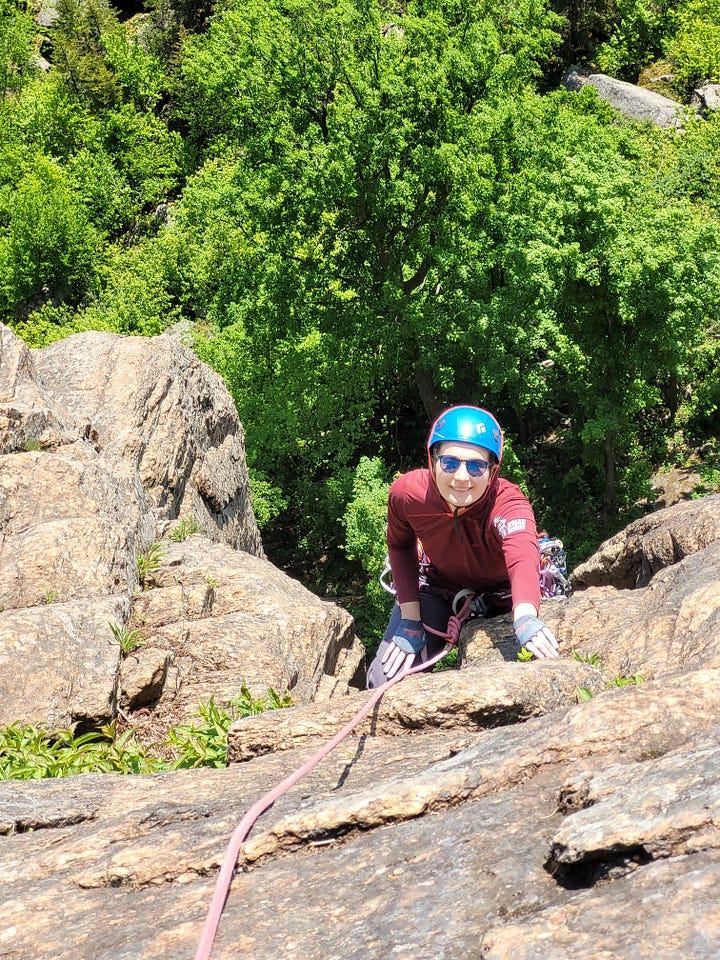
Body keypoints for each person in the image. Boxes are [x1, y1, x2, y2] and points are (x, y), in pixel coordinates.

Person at [366, 404, 560, 688]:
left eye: (476, 465)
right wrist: (410, 620)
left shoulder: (508, 505)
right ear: (432, 459)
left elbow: (521, 557)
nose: (461, 477)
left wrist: (525, 618)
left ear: (493, 470)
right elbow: (399, 545)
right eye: (449, 462)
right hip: (439, 586)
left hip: (503, 597)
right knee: (384, 680)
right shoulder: (408, 495)